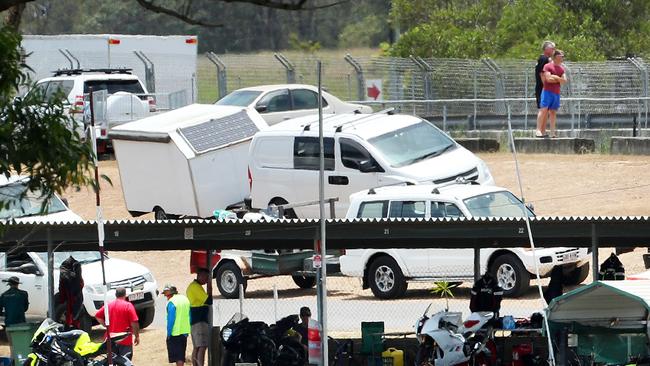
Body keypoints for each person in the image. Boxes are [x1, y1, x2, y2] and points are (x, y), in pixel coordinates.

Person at [95, 287, 140, 360]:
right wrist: (137, 336)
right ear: (125, 295)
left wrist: (106, 325)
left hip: (111, 339)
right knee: (125, 361)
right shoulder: (128, 305)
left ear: (116, 295)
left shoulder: (109, 305)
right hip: (125, 340)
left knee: (112, 361)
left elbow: (98, 316)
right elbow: (134, 323)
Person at [538, 50, 567, 138]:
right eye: (561, 56)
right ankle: (538, 130)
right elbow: (548, 79)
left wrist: (555, 77)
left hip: (556, 93)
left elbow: (564, 81)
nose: (562, 58)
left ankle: (552, 132)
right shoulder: (548, 66)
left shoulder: (562, 68)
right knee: (544, 110)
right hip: (547, 91)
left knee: (553, 112)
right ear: (556, 56)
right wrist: (558, 79)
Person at [186, 268, 212, 366]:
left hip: (196, 320)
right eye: (206, 277)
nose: (206, 280)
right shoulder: (195, 287)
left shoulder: (194, 286)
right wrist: (210, 288)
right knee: (202, 346)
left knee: (197, 346)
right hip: (199, 320)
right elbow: (208, 300)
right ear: (200, 276)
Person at [164, 284, 191, 366]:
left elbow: (170, 320)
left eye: (166, 295)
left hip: (175, 333)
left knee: (178, 358)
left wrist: (168, 334)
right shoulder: (185, 299)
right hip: (184, 332)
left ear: (169, 294)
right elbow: (190, 315)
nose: (166, 297)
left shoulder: (172, 302)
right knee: (181, 355)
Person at [535, 41, 555, 137]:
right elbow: (542, 74)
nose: (553, 50)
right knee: (543, 109)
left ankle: (542, 131)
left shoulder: (548, 59)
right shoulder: (544, 58)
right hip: (543, 88)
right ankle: (538, 130)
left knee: (546, 110)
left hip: (547, 88)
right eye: (552, 48)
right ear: (546, 49)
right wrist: (546, 86)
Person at [59, 256, 84, 330]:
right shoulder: (65, 269)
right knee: (72, 313)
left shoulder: (75, 267)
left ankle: (72, 325)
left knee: (75, 313)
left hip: (74, 297)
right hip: (71, 297)